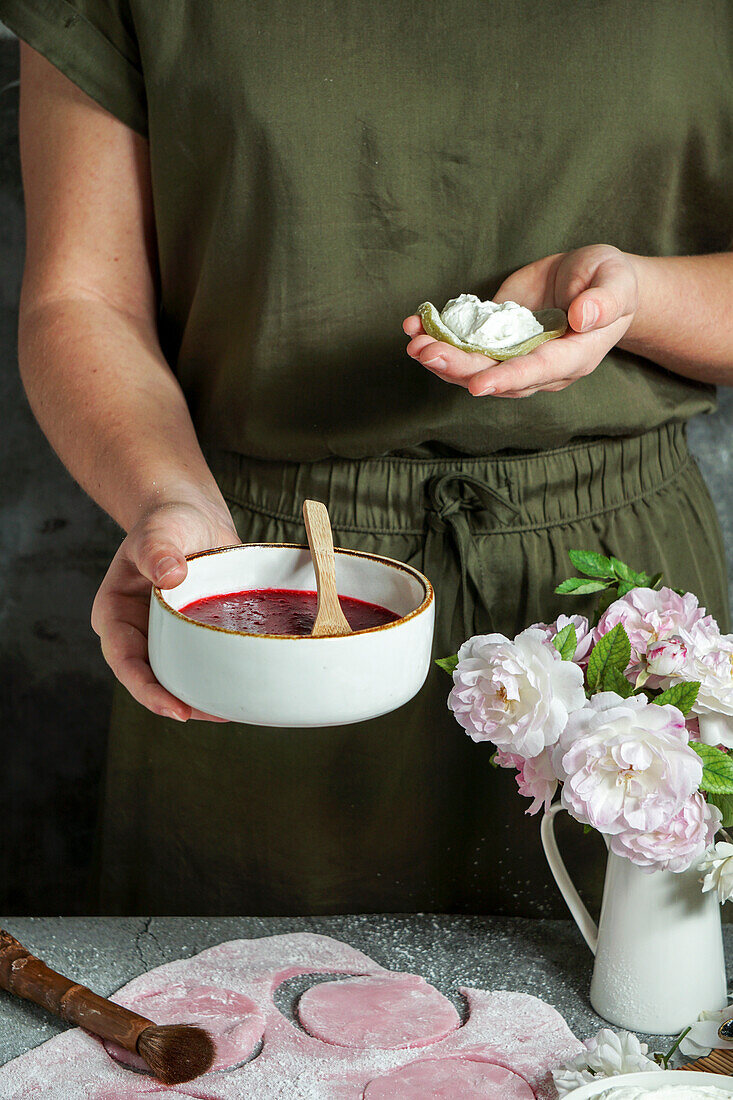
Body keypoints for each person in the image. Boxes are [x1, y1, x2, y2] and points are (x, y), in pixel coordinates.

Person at [2, 0, 732, 916]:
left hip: (616, 608)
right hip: (258, 584)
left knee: (635, 1034)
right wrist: (165, 498)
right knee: (228, 1022)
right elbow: (81, 297)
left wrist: (639, 297)